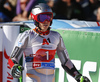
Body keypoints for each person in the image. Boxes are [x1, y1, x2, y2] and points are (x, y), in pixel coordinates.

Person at [8, 3, 90, 82]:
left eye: (49, 17)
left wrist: (78, 76)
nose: (46, 21)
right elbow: (13, 58)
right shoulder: (27, 35)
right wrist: (14, 66)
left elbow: (66, 62)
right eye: (42, 18)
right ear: (35, 19)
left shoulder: (56, 36)